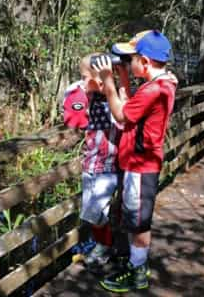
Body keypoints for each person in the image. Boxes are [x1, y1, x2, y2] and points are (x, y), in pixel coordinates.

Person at [92, 30, 177, 292]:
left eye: (132, 60)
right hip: (140, 164)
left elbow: (120, 113)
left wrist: (107, 80)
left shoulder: (152, 90)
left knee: (139, 223)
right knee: (135, 218)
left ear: (146, 62)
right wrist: (125, 76)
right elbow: (130, 107)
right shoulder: (162, 84)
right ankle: (135, 262)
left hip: (139, 166)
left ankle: (137, 272)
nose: (128, 63)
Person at [63, 53, 129, 271]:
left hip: (111, 166)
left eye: (85, 77)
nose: (82, 81)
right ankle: (104, 246)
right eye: (82, 77)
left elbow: (124, 119)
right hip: (92, 164)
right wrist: (83, 90)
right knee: (93, 211)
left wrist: (106, 85)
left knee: (95, 210)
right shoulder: (84, 97)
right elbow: (74, 120)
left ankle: (105, 247)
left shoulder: (114, 97)